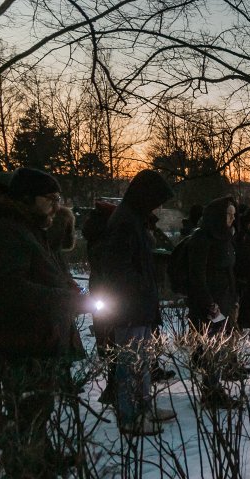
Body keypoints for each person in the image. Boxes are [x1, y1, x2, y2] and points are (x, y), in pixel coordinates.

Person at [0, 168, 86, 479]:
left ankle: (41, 475)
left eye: (58, 200)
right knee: (27, 419)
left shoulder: (27, 229)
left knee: (37, 413)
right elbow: (9, 289)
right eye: (49, 199)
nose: (55, 206)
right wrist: (63, 300)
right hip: (22, 343)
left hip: (38, 339)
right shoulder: (7, 231)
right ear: (24, 198)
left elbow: (41, 273)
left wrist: (66, 290)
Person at [97, 169, 177, 435]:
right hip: (130, 306)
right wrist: (139, 290)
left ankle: (142, 407)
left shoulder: (136, 220)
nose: (160, 206)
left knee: (141, 360)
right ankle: (130, 415)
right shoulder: (125, 221)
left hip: (139, 305)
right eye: (157, 200)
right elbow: (118, 267)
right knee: (130, 362)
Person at [186, 196, 240, 406]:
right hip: (208, 305)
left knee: (218, 349)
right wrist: (209, 302)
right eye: (228, 214)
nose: (232, 219)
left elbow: (229, 272)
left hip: (224, 302)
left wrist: (234, 298)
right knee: (210, 350)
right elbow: (197, 275)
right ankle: (211, 392)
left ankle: (215, 389)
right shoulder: (202, 239)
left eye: (234, 215)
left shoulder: (225, 238)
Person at [82, 200, 118, 405]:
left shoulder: (95, 234)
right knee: (112, 337)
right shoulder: (104, 238)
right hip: (108, 291)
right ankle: (112, 387)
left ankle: (112, 384)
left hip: (101, 289)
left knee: (107, 336)